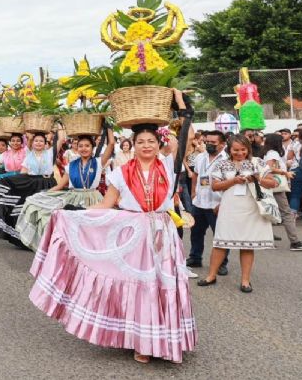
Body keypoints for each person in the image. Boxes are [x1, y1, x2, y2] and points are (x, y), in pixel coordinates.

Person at [29, 89, 197, 364]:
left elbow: (187, 137)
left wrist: (181, 105)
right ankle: (141, 342)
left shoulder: (169, 165)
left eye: (151, 141)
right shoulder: (120, 173)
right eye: (141, 141)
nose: (146, 146)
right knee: (139, 286)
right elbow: (106, 204)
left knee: (162, 285)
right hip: (133, 234)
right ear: (133, 143)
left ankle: (164, 339)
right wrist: (74, 214)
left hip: (163, 233)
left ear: (159, 144)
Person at [198, 134, 277, 293]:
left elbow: (273, 182)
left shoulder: (258, 162)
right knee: (220, 242)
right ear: (229, 149)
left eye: (243, 149)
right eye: (235, 150)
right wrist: (234, 181)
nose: (239, 153)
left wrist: (257, 179)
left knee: (247, 244)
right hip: (229, 207)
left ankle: (245, 281)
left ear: (248, 148)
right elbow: (215, 186)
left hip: (251, 207)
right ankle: (211, 276)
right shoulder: (222, 164)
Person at [16, 130, 114, 251]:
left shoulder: (98, 162)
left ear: (92, 148)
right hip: (74, 197)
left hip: (93, 198)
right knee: (71, 227)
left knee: (92, 227)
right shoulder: (71, 166)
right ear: (76, 148)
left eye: (87, 146)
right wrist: (43, 194)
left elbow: (111, 144)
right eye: (81, 146)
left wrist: (108, 128)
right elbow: (60, 185)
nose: (84, 149)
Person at [0, 132, 57, 247]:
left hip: (47, 183)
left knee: (46, 212)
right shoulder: (29, 156)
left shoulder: (50, 153)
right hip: (31, 183)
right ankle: (29, 238)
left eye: (41, 141)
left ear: (45, 143)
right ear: (32, 143)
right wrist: (11, 182)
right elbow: (23, 172)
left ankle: (47, 239)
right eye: (36, 141)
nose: (38, 143)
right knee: (28, 209)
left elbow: (60, 140)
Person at [187, 130, 229, 274]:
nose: (209, 144)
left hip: (216, 204)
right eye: (207, 142)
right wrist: (193, 192)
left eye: (213, 143)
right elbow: (196, 175)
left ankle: (222, 263)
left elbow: (230, 184)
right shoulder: (200, 157)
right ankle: (195, 257)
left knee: (220, 235)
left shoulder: (227, 160)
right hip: (199, 202)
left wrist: (224, 202)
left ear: (223, 144)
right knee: (196, 232)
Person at [262, 133, 302, 250]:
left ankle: (266, 239)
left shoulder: (267, 152)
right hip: (276, 186)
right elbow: (269, 168)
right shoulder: (273, 153)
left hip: (270, 185)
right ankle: (294, 241)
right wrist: (285, 172)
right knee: (286, 213)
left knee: (269, 212)